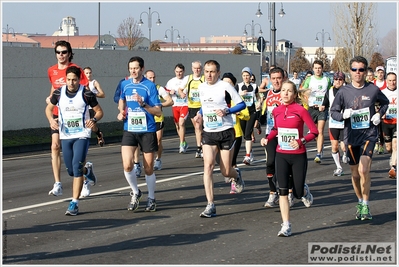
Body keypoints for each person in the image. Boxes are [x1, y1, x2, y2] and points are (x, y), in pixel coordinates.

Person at [330, 56, 389, 220]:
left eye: (361, 69)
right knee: (355, 175)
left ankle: (366, 205)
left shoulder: (373, 89)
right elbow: (333, 112)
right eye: (354, 69)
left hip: (369, 135)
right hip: (351, 137)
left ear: (366, 71)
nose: (358, 73)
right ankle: (360, 201)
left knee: (364, 170)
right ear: (350, 72)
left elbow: (385, 103)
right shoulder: (343, 91)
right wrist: (342, 115)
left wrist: (379, 114)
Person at [260, 80, 318, 237]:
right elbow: (276, 129)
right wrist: (268, 138)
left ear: (294, 94)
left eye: (289, 91)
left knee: (297, 193)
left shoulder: (301, 110)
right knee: (283, 191)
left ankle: (305, 191)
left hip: (298, 155)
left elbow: (314, 131)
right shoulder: (277, 111)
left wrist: (301, 141)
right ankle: (286, 225)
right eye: (283, 90)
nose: (285, 93)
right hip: (282, 155)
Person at [45, 66, 103, 215]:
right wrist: (51, 120)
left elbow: (99, 111)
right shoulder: (59, 93)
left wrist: (94, 120)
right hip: (66, 135)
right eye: (69, 79)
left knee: (76, 168)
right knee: (71, 171)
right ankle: (87, 171)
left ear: (79, 79)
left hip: (82, 134)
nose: (71, 83)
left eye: (74, 80)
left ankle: (74, 203)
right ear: (66, 79)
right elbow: (48, 109)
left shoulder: (86, 93)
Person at [193, 60, 246, 218]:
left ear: (218, 72)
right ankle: (210, 204)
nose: (209, 75)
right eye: (206, 71)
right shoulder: (202, 87)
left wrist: (227, 111)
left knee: (225, 171)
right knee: (208, 166)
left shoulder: (225, 86)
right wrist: (200, 114)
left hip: (225, 131)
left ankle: (236, 175)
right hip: (209, 132)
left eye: (212, 72)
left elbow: (241, 104)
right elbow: (205, 104)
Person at [117, 56, 162, 212]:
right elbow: (122, 100)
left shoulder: (150, 86)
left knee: (148, 168)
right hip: (130, 129)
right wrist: (121, 111)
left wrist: (143, 104)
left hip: (147, 130)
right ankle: (136, 192)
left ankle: (151, 198)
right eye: (131, 68)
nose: (133, 71)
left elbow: (158, 111)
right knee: (127, 164)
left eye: (136, 68)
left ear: (142, 69)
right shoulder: (125, 84)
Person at [46, 40, 89, 197]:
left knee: (76, 157)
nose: (61, 55)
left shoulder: (76, 70)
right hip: (58, 113)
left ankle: (84, 177)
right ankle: (57, 183)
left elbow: (85, 89)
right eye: (58, 52)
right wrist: (50, 98)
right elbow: (53, 87)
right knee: (55, 146)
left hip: (74, 115)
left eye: (64, 52)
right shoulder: (52, 70)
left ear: (69, 53)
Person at [261, 67, 288, 208]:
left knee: (283, 165)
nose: (276, 81)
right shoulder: (269, 94)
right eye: (274, 78)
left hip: (286, 134)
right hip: (271, 133)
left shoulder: (287, 93)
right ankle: (272, 193)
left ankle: (289, 190)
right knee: (270, 162)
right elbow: (266, 113)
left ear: (283, 78)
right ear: (270, 80)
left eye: (279, 78)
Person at [221, 72, 250, 194]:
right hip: (220, 133)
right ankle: (232, 173)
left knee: (232, 161)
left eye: (229, 83)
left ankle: (235, 180)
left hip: (235, 134)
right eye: (224, 82)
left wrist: (237, 113)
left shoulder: (236, 98)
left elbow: (247, 115)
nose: (226, 85)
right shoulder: (218, 98)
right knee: (223, 163)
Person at [301, 60, 332, 163]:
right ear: (313, 69)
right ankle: (320, 146)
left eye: (319, 68)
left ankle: (318, 153)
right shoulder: (309, 79)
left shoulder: (326, 79)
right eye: (316, 68)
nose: (318, 70)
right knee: (314, 132)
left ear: (322, 69)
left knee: (320, 131)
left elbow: (329, 94)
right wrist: (308, 101)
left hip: (322, 109)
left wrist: (325, 105)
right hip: (311, 108)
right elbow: (302, 93)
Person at [145, 69, 174, 170]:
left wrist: (159, 105)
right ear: (145, 77)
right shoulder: (143, 88)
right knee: (147, 142)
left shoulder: (159, 88)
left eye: (154, 77)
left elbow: (170, 101)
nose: (152, 80)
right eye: (150, 78)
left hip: (158, 118)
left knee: (158, 140)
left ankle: (158, 159)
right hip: (146, 119)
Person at [323, 71, 349, 176]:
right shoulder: (329, 92)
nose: (338, 81)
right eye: (336, 79)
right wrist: (322, 107)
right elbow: (324, 104)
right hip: (333, 123)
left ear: (343, 81)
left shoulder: (347, 91)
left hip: (344, 122)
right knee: (334, 146)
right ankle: (339, 167)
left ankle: (346, 153)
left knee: (343, 146)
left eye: (340, 79)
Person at [178, 61, 205, 158]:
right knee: (197, 128)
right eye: (195, 68)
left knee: (198, 127)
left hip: (202, 106)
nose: (197, 70)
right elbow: (180, 89)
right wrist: (181, 93)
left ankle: (200, 148)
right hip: (192, 106)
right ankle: (201, 146)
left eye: (198, 68)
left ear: (201, 69)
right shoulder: (188, 78)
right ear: (192, 68)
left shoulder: (204, 78)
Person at [236, 67, 261, 165]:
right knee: (244, 133)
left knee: (247, 133)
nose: (246, 77)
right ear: (242, 76)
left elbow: (258, 97)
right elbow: (233, 98)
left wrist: (259, 102)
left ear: (250, 76)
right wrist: (240, 94)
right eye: (244, 75)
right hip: (242, 113)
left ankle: (247, 156)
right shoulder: (238, 86)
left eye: (247, 75)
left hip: (251, 112)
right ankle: (250, 151)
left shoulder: (254, 86)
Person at [166, 63, 189, 153]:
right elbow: (166, 90)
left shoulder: (187, 80)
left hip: (185, 105)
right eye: (177, 72)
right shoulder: (171, 81)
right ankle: (183, 142)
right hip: (175, 105)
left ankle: (182, 144)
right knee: (177, 125)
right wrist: (170, 92)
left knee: (181, 122)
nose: (179, 73)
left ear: (184, 71)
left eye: (180, 72)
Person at [83, 66, 106, 147]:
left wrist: (93, 94)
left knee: (93, 127)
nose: (88, 75)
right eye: (86, 73)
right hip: (83, 108)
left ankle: (99, 134)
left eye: (90, 73)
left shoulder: (94, 82)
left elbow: (103, 94)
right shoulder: (80, 83)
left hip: (92, 108)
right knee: (85, 126)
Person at [381, 72, 397, 179]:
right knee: (389, 147)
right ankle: (393, 157)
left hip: (397, 122)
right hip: (386, 123)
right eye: (390, 80)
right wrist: (380, 113)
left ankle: (394, 167)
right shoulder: (382, 93)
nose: (392, 82)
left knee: (396, 144)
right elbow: (377, 105)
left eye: (394, 80)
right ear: (387, 81)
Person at [374, 66, 387, 155]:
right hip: (374, 107)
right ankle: (376, 143)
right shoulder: (372, 83)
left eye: (382, 72)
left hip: (383, 107)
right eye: (378, 72)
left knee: (381, 128)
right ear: (376, 73)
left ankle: (381, 144)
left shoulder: (386, 83)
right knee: (374, 127)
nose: (380, 74)